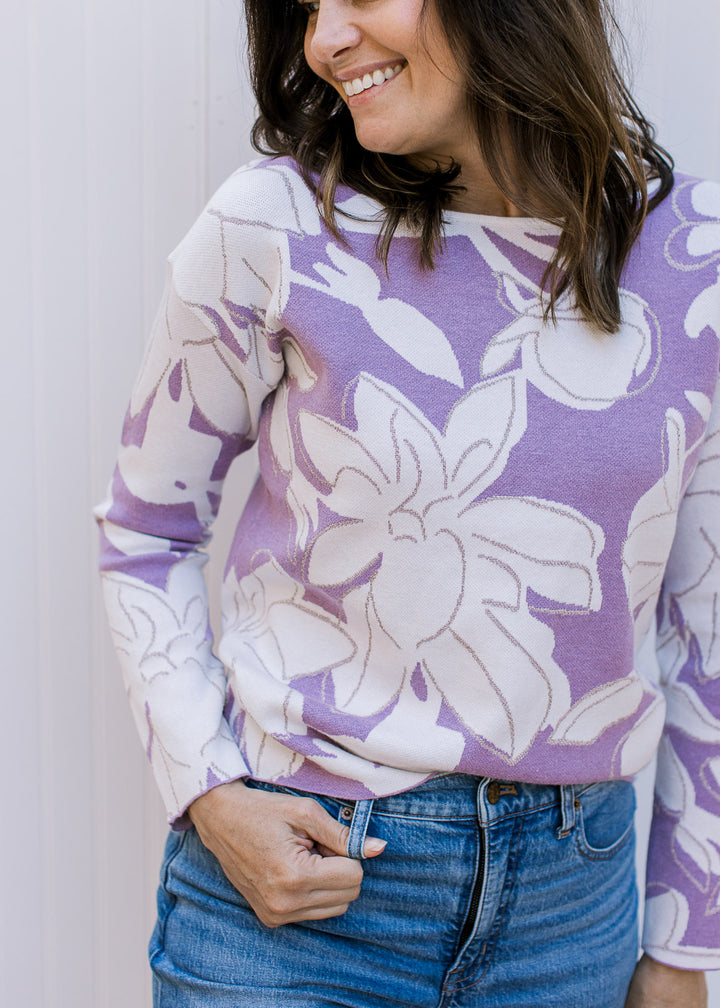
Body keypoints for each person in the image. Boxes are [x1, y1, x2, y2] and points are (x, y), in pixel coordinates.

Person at [95, 0, 720, 1004]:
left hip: (573, 922)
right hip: (296, 909)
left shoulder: (691, 254)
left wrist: (686, 946)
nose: (322, 41)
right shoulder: (273, 224)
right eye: (305, 8)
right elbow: (146, 530)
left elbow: (708, 628)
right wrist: (207, 788)